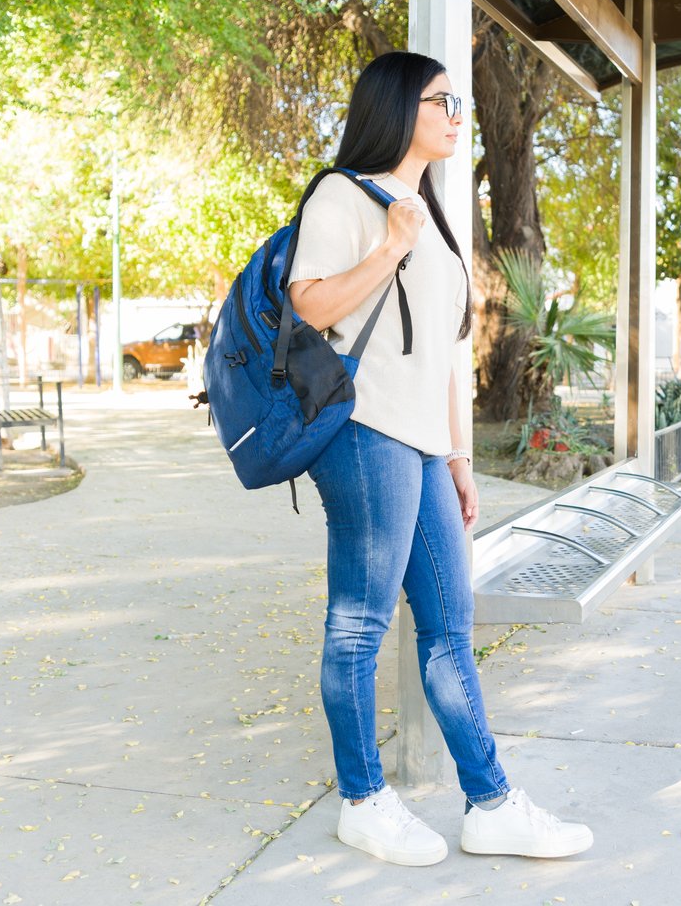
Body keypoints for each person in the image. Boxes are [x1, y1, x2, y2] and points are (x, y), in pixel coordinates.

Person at [285, 51, 594, 867]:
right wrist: (387, 247)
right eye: (442, 100)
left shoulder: (433, 210)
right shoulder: (342, 195)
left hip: (425, 447)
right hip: (365, 434)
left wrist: (458, 457)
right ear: (397, 106)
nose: (458, 113)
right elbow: (309, 302)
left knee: (451, 630)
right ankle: (363, 798)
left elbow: (449, 355)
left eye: (459, 101)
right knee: (359, 624)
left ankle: (490, 803)